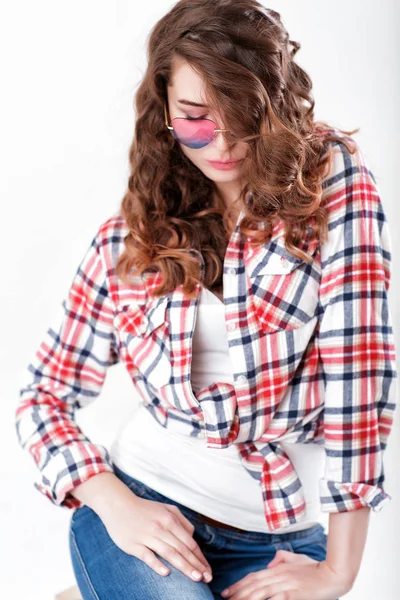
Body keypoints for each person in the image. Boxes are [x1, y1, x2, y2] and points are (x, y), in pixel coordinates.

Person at [15, 1, 397, 599]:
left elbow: (360, 368)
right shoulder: (131, 239)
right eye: (196, 117)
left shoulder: (330, 183)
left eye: (243, 113)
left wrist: (337, 571)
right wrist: (115, 504)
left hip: (281, 539)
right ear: (165, 113)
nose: (222, 142)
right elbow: (41, 398)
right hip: (149, 507)